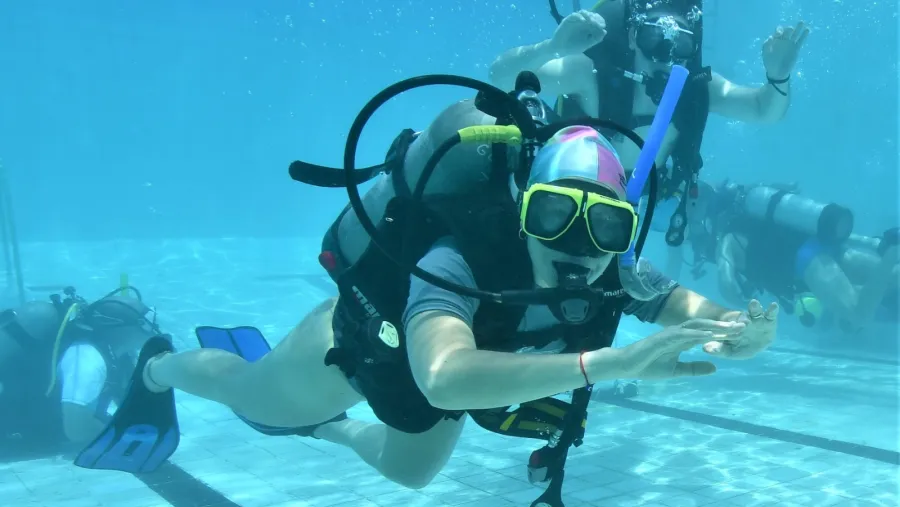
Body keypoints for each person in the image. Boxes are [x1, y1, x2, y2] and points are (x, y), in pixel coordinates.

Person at [75, 91, 777, 501]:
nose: (575, 242)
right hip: (359, 352)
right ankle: (156, 364)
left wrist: (739, 328)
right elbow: (442, 373)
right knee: (254, 393)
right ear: (524, 207)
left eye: (603, 224)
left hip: (463, 379)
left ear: (622, 233)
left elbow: (691, 308)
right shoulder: (462, 252)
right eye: (554, 213)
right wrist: (610, 364)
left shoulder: (613, 265)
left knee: (411, 473)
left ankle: (328, 430)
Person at [489, 0, 810, 257]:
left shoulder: (697, 90)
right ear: (632, 37)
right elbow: (500, 77)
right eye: (653, 37)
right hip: (567, 194)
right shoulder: (591, 74)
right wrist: (553, 47)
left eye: (680, 44)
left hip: (638, 200)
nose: (665, 55)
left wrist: (778, 76)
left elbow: (762, 110)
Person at [691, 181, 898, 333]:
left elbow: (728, 286)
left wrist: (738, 297)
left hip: (807, 260)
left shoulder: (726, 241)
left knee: (857, 314)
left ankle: (893, 251)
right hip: (820, 244)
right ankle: (894, 246)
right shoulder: (751, 220)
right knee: (892, 277)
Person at [0, 285, 160, 459]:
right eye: (147, 323)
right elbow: (76, 429)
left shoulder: (116, 353)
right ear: (122, 330)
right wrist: (125, 438)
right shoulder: (88, 360)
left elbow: (127, 397)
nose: (154, 328)